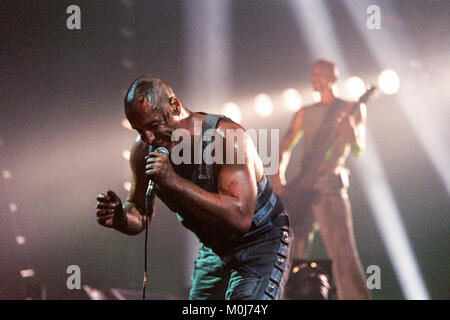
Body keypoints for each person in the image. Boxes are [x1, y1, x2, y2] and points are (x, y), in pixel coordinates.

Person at [95, 75, 292, 300]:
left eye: (154, 126)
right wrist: (122, 217)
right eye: (139, 131)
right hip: (214, 251)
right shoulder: (143, 151)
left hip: (261, 241)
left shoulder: (225, 137)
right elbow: (140, 212)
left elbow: (240, 218)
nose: (148, 139)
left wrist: (174, 182)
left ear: (175, 106)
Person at [273, 60, 371, 300]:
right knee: (288, 255)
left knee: (342, 254)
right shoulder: (304, 113)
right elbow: (284, 146)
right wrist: (278, 177)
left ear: (334, 77)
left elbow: (359, 149)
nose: (315, 78)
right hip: (301, 188)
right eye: (313, 74)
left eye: (321, 74)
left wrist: (350, 132)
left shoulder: (351, 108)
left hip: (330, 184)